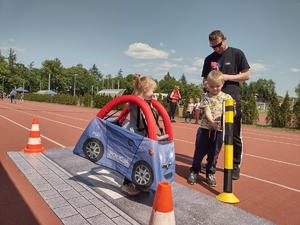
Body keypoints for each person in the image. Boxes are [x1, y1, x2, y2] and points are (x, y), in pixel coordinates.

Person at [201, 30, 250, 180]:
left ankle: (235, 166)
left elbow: (246, 75)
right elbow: (204, 80)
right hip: (214, 103)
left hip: (231, 102)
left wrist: (227, 77)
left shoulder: (237, 54)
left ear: (225, 39)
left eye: (218, 45)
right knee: (212, 136)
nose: (216, 49)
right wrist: (206, 88)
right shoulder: (209, 59)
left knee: (234, 136)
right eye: (213, 47)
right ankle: (210, 163)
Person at [187, 70, 234, 186]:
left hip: (218, 131)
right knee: (199, 152)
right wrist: (211, 121)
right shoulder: (206, 97)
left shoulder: (227, 97)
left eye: (217, 86)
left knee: (214, 154)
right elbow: (207, 110)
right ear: (207, 84)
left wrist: (233, 109)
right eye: (211, 86)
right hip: (205, 129)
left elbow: (232, 114)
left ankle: (210, 173)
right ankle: (194, 171)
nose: (215, 89)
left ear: (222, 83)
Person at [120, 73, 157, 196]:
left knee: (144, 159)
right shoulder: (136, 102)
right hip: (135, 136)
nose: (153, 94)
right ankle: (126, 184)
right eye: (153, 91)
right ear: (145, 89)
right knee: (133, 160)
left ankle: (140, 183)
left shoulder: (145, 102)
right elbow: (141, 120)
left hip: (143, 136)